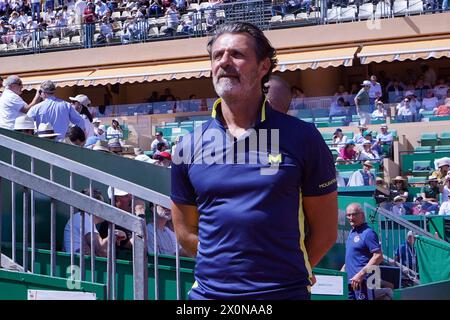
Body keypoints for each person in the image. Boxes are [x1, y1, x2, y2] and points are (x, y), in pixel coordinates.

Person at [171, 22, 338, 300]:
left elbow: (325, 232)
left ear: (263, 68)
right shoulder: (188, 145)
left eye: (237, 54)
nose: (224, 61)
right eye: (217, 55)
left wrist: (287, 274)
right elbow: (185, 232)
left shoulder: (303, 138)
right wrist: (226, 272)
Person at [63, 188, 126, 256]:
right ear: (93, 206)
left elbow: (102, 252)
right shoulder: (83, 217)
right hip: (78, 264)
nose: (104, 208)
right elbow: (102, 251)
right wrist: (114, 234)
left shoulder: (84, 218)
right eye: (102, 205)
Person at [342, 203, 383, 300]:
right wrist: (343, 270)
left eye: (354, 214)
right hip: (349, 283)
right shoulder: (352, 232)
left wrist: (360, 275)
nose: (351, 218)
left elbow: (378, 256)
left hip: (363, 282)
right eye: (348, 215)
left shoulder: (368, 233)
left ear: (362, 215)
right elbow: (353, 257)